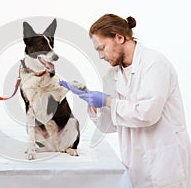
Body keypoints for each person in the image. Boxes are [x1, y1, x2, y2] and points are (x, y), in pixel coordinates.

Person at [60, 14, 191, 187]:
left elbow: (147, 114)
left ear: (119, 37)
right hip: (136, 166)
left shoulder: (155, 64)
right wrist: (92, 103)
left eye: (102, 48)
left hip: (165, 164)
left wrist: (108, 101)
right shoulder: (112, 75)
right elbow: (109, 125)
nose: (100, 56)